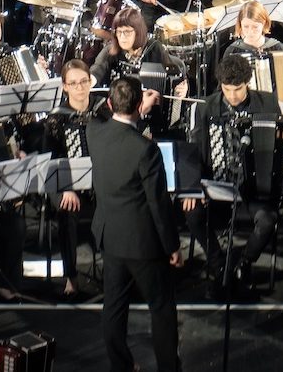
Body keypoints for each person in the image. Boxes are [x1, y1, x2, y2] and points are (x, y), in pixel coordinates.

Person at [184, 54, 283, 299]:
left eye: (237, 89)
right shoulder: (206, 107)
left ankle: (244, 265)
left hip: (256, 190)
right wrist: (194, 188)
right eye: (227, 89)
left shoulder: (269, 103)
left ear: (248, 83)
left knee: (268, 222)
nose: (232, 95)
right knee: (192, 213)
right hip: (217, 187)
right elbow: (193, 151)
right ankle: (220, 264)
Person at [90, 76, 182, 372]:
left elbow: (99, 112)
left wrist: (134, 106)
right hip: (143, 244)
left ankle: (122, 365)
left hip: (110, 236)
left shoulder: (95, 133)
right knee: (162, 308)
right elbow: (158, 203)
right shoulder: (146, 150)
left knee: (114, 308)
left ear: (109, 103)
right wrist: (172, 245)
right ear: (140, 105)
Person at [31, 60, 107, 297]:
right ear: (64, 87)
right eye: (73, 83)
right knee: (67, 212)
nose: (80, 87)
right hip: (65, 183)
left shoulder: (104, 110)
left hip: (99, 180)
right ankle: (70, 275)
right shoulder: (57, 118)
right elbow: (48, 161)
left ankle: (117, 268)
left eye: (83, 81)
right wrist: (67, 189)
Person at [88, 7, 190, 95]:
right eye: (119, 32)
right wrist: (88, 81)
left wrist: (182, 88)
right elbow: (98, 68)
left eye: (127, 32)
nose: (122, 37)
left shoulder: (155, 48)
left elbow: (174, 76)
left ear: (137, 32)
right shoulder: (111, 50)